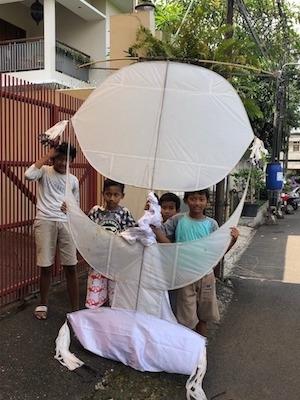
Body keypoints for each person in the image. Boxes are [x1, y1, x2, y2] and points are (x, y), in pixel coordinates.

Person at [153, 189, 239, 337]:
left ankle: (201, 349)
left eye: (201, 199)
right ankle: (188, 351)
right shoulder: (178, 220)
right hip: (184, 277)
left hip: (206, 276)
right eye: (193, 199)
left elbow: (217, 252)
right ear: (186, 201)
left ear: (207, 201)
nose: (197, 203)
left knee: (203, 317)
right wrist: (151, 224)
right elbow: (161, 235)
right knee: (186, 319)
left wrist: (233, 240)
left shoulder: (211, 224)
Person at [25, 142, 79, 320]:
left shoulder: (73, 180)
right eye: (60, 159)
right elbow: (28, 174)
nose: (63, 163)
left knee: (71, 266)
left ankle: (75, 309)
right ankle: (43, 303)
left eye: (67, 160)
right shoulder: (45, 171)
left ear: (72, 161)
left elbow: (75, 206)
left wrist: (69, 207)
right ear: (54, 158)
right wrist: (48, 155)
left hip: (66, 223)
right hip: (45, 220)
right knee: (45, 266)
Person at [85, 179, 135, 309]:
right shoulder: (96, 211)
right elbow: (86, 229)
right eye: (108, 194)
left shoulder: (125, 213)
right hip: (98, 261)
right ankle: (94, 324)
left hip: (117, 263)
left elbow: (132, 234)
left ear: (122, 196)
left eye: (116, 195)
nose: (112, 198)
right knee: (94, 298)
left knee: (116, 298)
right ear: (103, 194)